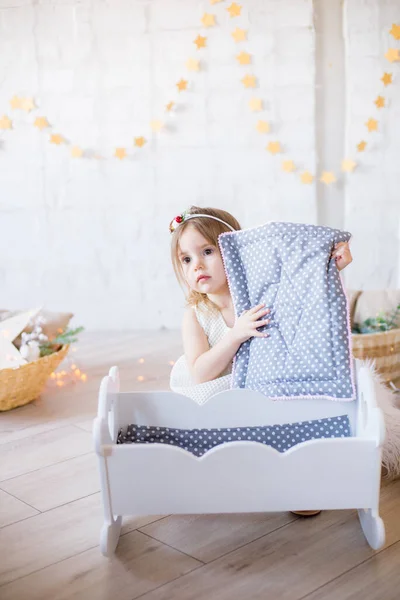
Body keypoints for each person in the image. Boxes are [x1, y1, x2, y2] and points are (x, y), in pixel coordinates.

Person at [169, 206, 352, 517]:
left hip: (262, 387)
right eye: (186, 259)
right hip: (217, 390)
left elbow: (304, 287)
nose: (197, 264)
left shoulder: (258, 296)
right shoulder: (197, 315)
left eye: (207, 251)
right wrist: (234, 335)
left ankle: (295, 482)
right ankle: (240, 478)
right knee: (236, 428)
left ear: (234, 250)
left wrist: (333, 259)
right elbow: (200, 373)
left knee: (286, 417)